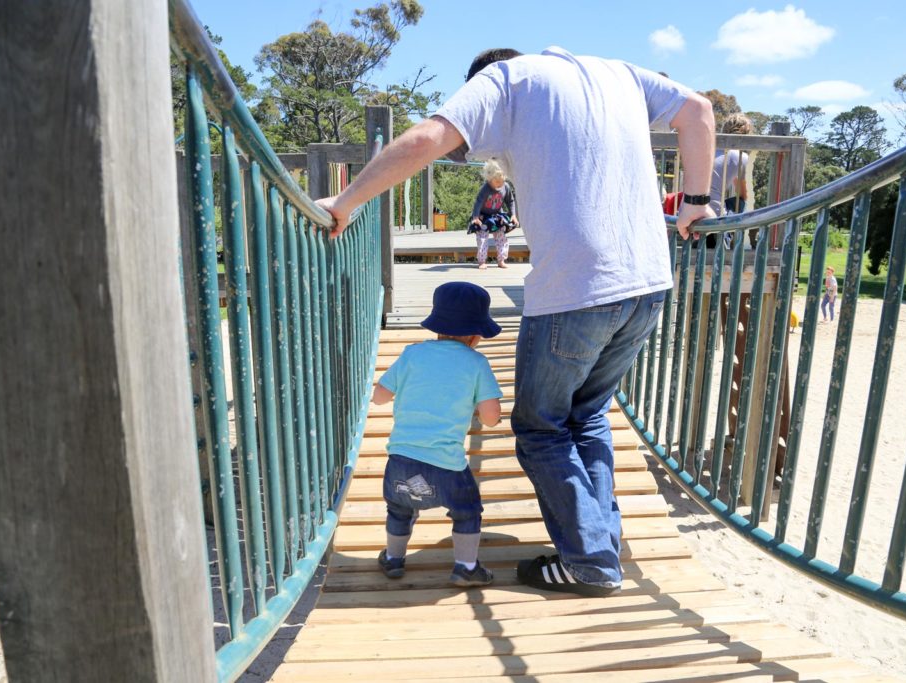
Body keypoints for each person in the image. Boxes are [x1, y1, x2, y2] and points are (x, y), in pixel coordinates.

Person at [316, 46, 715, 597]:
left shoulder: (503, 81)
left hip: (576, 292)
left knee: (540, 428)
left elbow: (429, 138)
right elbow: (698, 109)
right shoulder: (616, 71)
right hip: (649, 284)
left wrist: (348, 199)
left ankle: (590, 563)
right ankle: (597, 543)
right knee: (589, 415)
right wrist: (696, 200)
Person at [372, 281, 504, 587]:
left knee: (400, 509)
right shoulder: (476, 363)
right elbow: (491, 417)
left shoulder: (412, 355)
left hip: (400, 461)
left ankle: (393, 560)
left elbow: (379, 396)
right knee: (467, 510)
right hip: (447, 467)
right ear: (475, 336)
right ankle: (466, 567)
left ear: (437, 327)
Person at [708, 113, 754, 249]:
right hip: (715, 215)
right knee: (740, 203)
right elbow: (744, 195)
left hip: (689, 209)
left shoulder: (709, 149)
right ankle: (739, 240)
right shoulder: (740, 157)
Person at [469, 159, 519, 269]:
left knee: (501, 237)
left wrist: (513, 215)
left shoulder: (505, 187)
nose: (499, 184)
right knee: (482, 238)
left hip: (497, 216)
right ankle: (482, 261)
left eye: (501, 181)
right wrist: (476, 217)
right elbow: (478, 202)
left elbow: (510, 201)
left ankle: (501, 259)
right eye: (497, 182)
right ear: (490, 178)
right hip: (483, 217)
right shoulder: (485, 188)